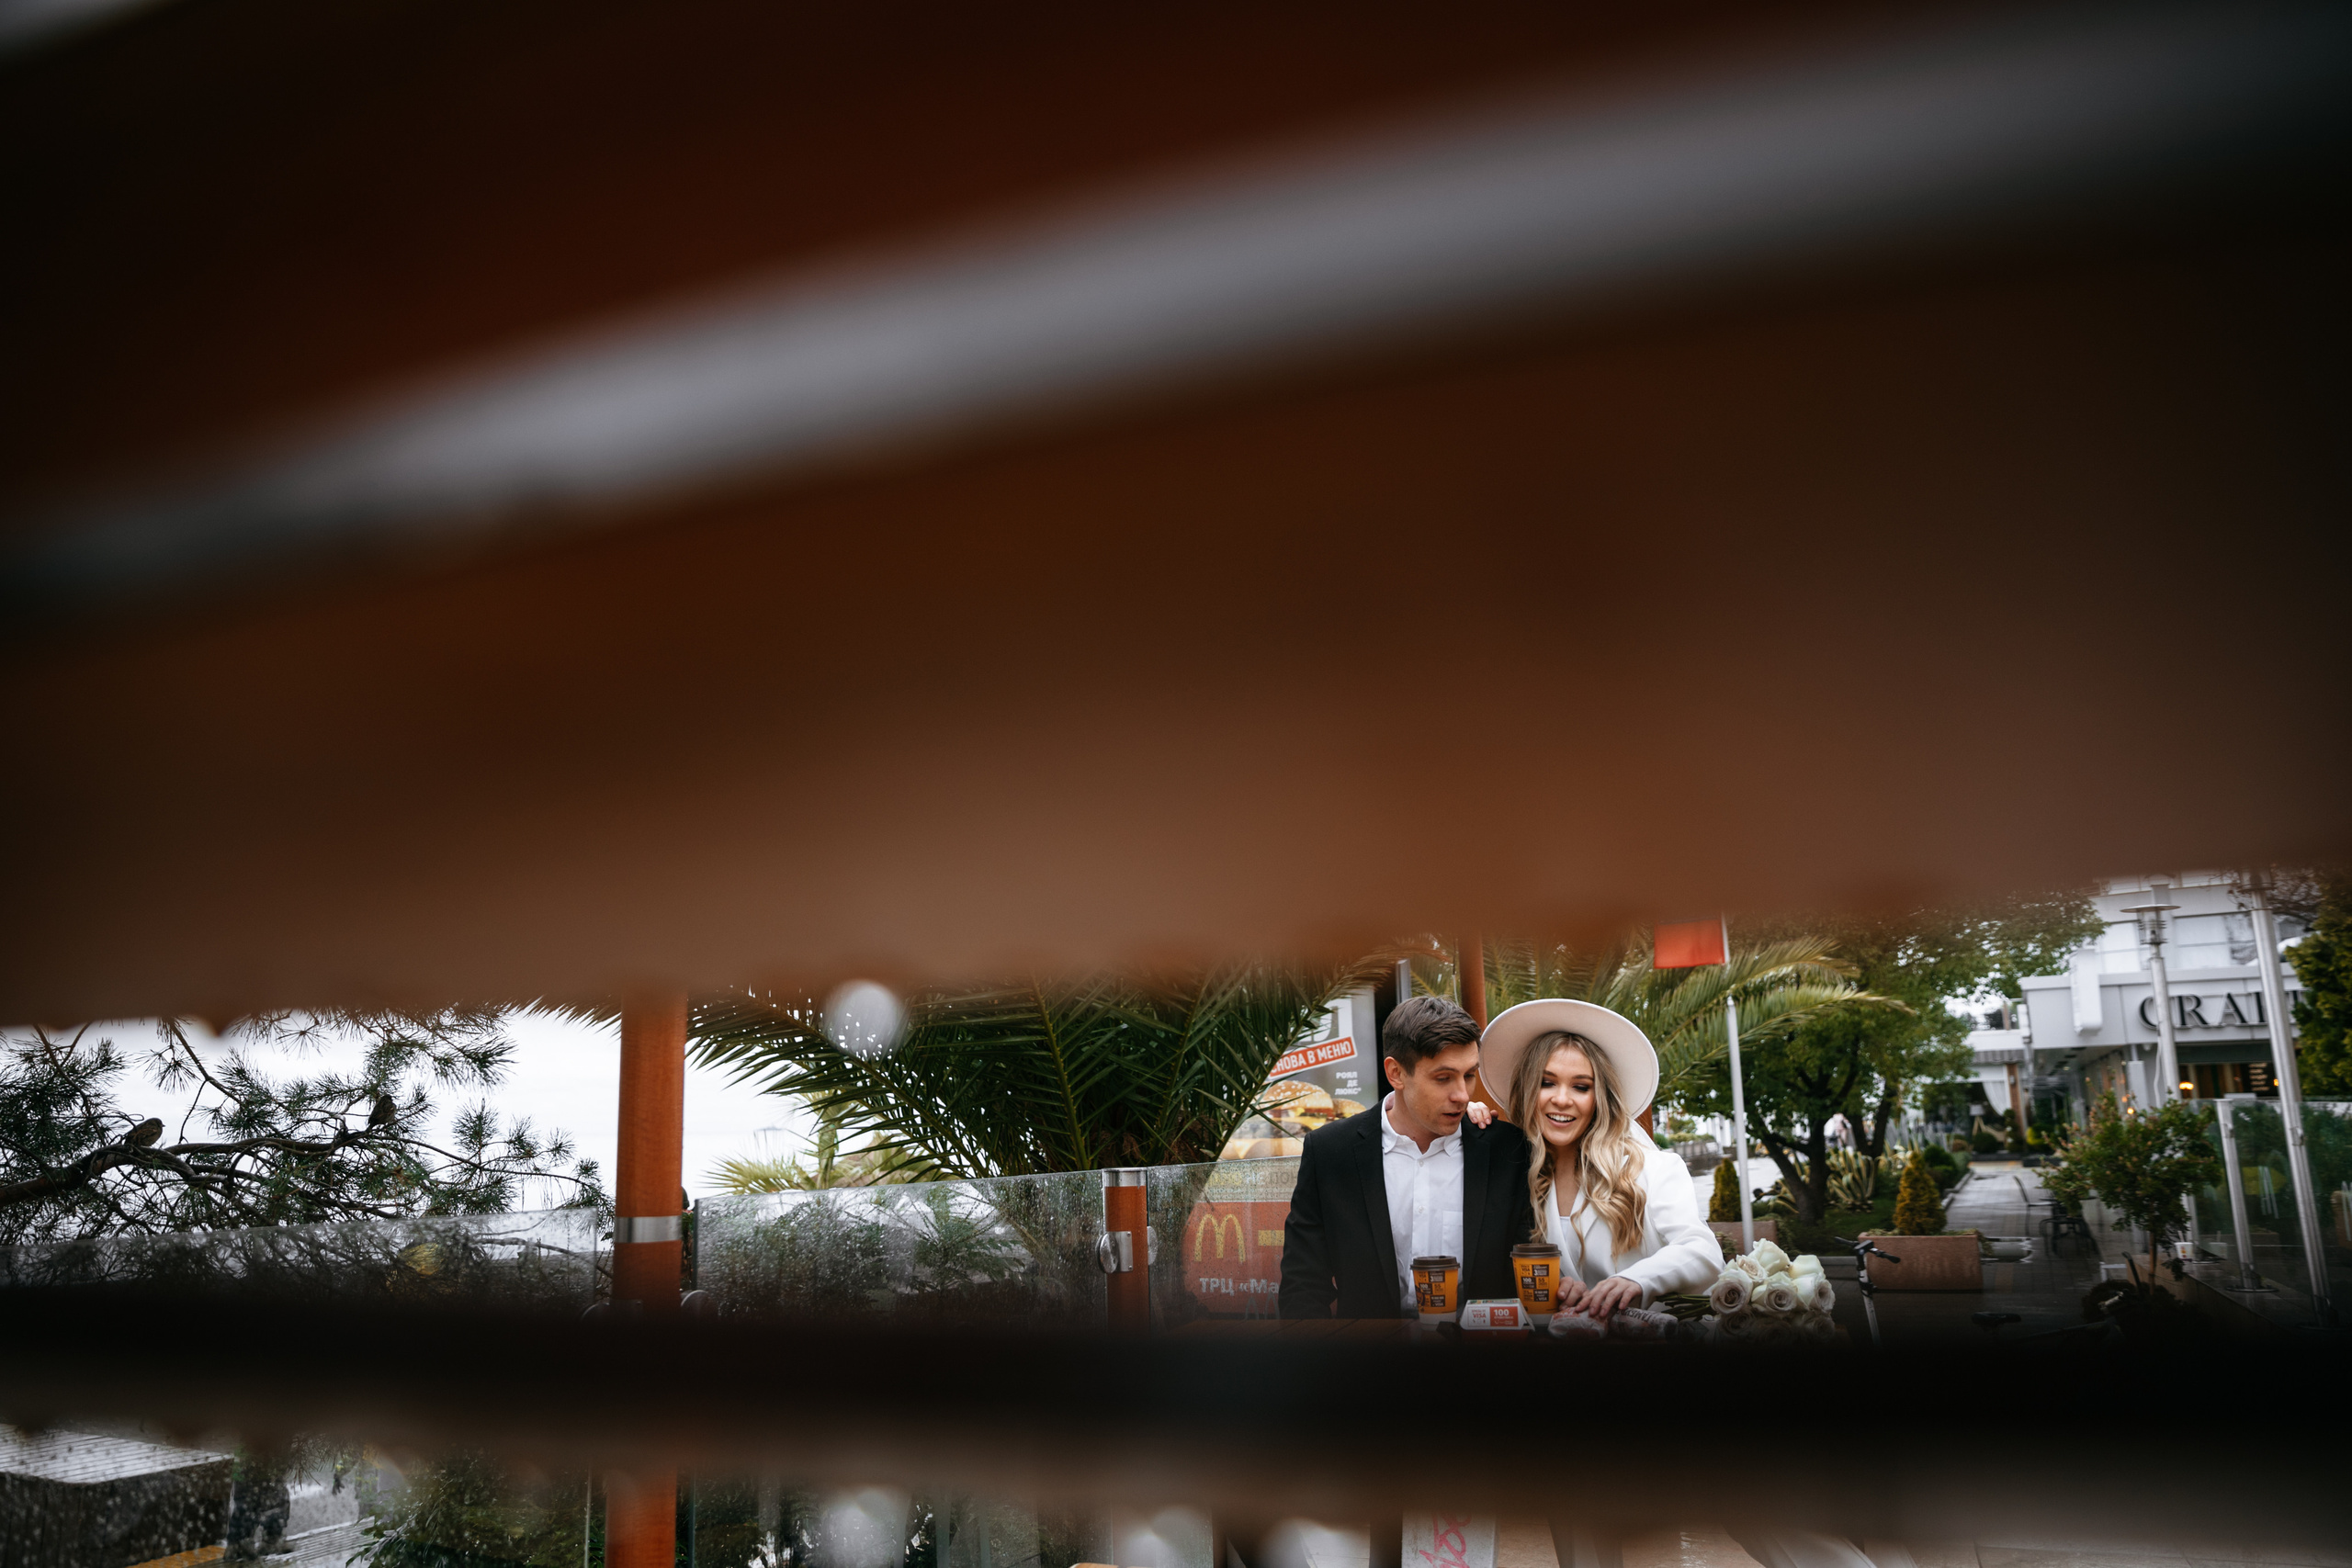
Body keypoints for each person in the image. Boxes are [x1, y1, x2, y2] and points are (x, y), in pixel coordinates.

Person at [1278, 995, 1533, 1320]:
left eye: (1469, 1074)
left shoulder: (1508, 1151)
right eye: (1443, 1078)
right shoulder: (1330, 1152)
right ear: (1396, 1073)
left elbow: (1529, 1272)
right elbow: (1303, 1286)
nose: (1462, 1094)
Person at [1480, 998, 1721, 1324]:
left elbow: (1703, 1252)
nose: (1562, 1100)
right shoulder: (1518, 1180)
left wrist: (1637, 1280)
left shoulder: (1654, 1169)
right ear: (1527, 1089)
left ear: (1599, 1098)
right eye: (1547, 1082)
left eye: (1581, 1087)